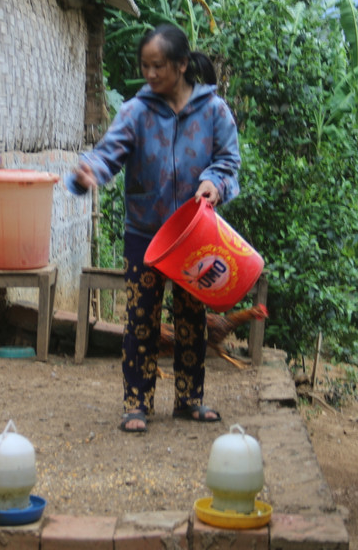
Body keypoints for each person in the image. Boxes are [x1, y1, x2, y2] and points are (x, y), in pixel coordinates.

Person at [66, 23, 241, 433]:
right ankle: (136, 402)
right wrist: (89, 172)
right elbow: (108, 154)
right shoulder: (135, 111)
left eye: (157, 65)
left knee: (191, 317)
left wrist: (214, 183)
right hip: (145, 235)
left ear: (181, 65)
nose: (149, 74)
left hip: (196, 236)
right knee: (141, 317)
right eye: (144, 66)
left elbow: (229, 163)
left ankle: (189, 400)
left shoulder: (214, 111)